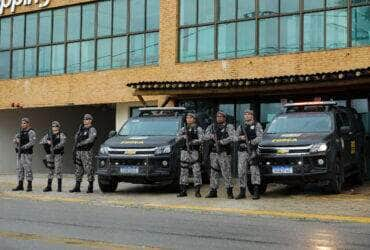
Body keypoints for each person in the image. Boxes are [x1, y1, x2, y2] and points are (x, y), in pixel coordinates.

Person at [204, 111, 235, 199]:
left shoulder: (229, 126)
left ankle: (229, 192)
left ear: (224, 118)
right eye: (217, 116)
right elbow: (204, 136)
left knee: (226, 172)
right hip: (213, 153)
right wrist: (211, 136)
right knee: (213, 172)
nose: (219, 118)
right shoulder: (212, 126)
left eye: (221, 116)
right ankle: (213, 191)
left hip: (224, 153)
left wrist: (221, 142)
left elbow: (232, 137)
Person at [235, 110, 263, 200]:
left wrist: (251, 142)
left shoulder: (257, 125)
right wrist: (240, 137)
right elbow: (234, 137)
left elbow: (260, 137)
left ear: (252, 115)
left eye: (248, 114)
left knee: (254, 171)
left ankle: (256, 191)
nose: (246, 116)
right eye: (245, 114)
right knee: (241, 171)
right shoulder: (241, 126)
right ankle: (242, 191)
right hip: (242, 151)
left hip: (252, 151)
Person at [176, 112, 204, 198]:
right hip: (184, 152)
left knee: (196, 171)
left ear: (194, 119)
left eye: (190, 118)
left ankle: (197, 191)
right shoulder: (183, 129)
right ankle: (183, 191)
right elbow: (177, 139)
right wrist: (183, 137)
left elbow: (202, 139)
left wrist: (193, 141)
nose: (188, 119)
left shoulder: (198, 129)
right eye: (187, 118)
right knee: (184, 171)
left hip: (194, 151)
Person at [70, 114, 97, 193]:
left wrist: (81, 143)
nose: (85, 120)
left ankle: (90, 186)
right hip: (78, 151)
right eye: (84, 119)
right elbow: (76, 138)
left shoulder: (92, 129)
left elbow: (91, 139)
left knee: (88, 169)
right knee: (78, 169)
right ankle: (77, 187)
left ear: (90, 120)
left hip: (87, 152)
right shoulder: (81, 129)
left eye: (87, 119)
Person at [40, 121, 67, 192]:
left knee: (58, 170)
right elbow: (41, 141)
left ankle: (59, 187)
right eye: (53, 126)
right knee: (50, 170)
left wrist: (54, 147)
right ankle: (49, 186)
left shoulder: (61, 135)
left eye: (56, 126)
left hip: (58, 154)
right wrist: (47, 141)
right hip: (50, 155)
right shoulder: (48, 135)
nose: (54, 127)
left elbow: (62, 143)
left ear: (58, 127)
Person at [12, 118, 36, 192]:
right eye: (22, 123)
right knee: (19, 169)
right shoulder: (20, 132)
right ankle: (20, 185)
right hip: (20, 153)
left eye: (24, 123)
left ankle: (29, 185)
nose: (22, 125)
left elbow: (32, 142)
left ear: (28, 124)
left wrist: (23, 147)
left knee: (28, 169)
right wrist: (16, 141)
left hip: (27, 154)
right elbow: (15, 139)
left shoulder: (31, 132)